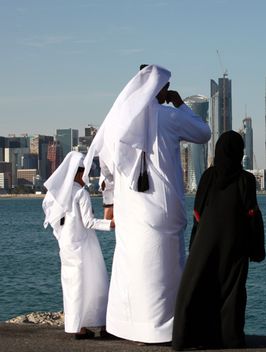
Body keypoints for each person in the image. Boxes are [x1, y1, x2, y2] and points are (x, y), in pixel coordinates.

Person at [83, 64, 211, 343]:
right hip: (162, 204)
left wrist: (110, 201)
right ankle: (166, 329)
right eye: (166, 87)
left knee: (133, 267)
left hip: (131, 207)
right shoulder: (169, 116)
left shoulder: (119, 119)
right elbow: (204, 133)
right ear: (160, 89)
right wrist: (181, 105)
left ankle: (130, 327)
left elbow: (105, 163)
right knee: (166, 269)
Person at [172, 131, 265, 350]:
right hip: (235, 243)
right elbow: (251, 213)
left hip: (206, 241)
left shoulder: (208, 176)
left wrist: (196, 243)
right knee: (232, 291)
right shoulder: (246, 179)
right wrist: (256, 248)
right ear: (240, 153)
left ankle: (191, 338)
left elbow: (197, 211)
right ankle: (230, 339)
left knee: (200, 287)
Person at [42, 151, 114, 339]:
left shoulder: (56, 195)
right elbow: (89, 222)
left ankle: (78, 327)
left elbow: (53, 220)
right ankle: (102, 323)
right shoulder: (81, 193)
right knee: (95, 282)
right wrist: (111, 224)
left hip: (66, 245)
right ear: (77, 172)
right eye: (86, 172)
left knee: (73, 285)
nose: (87, 177)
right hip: (84, 244)